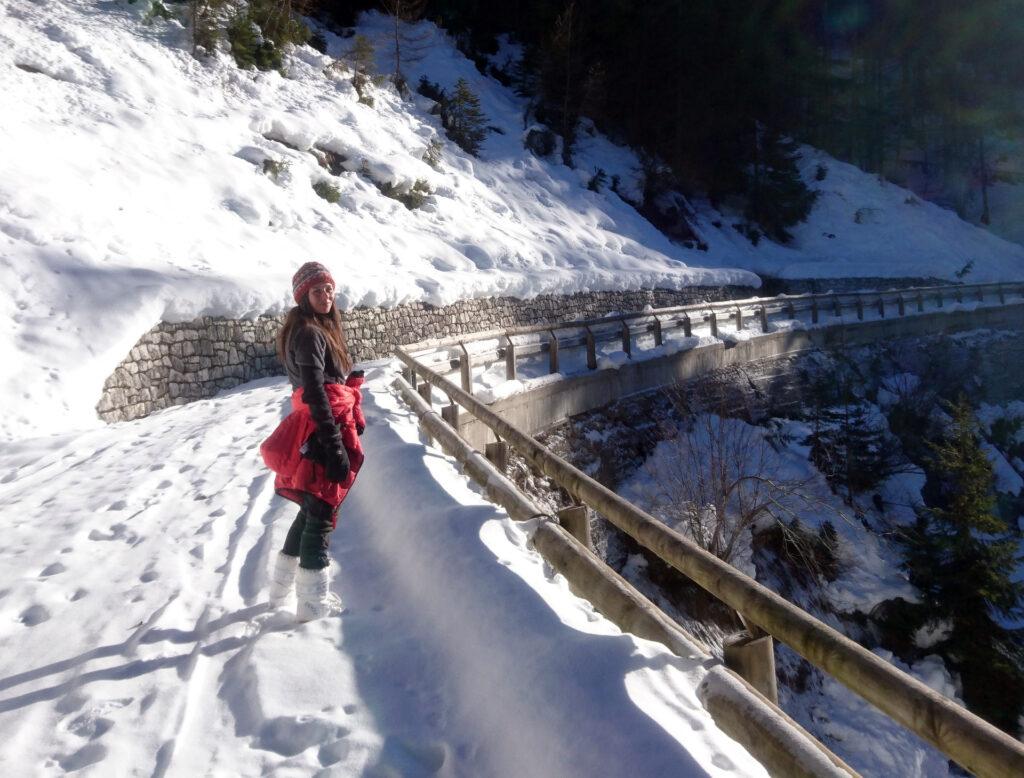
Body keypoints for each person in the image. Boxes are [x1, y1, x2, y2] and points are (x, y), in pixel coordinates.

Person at [260, 261, 366, 621]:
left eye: (329, 289)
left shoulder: (311, 329)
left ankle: (280, 591)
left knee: (310, 508)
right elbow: (315, 393)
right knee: (320, 513)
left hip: (320, 426)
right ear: (303, 296)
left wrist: (347, 385)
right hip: (322, 429)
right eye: (318, 291)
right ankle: (311, 605)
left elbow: (320, 385)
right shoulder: (309, 332)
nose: (326, 296)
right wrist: (334, 444)